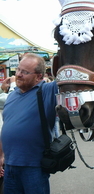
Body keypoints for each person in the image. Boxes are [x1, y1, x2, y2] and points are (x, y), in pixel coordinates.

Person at [0, 53, 58, 194]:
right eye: (18, 70)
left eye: (25, 72)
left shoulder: (47, 91)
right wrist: (1, 156)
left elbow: (66, 76)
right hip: (9, 166)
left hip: (33, 168)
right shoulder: (13, 95)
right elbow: (6, 128)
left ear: (39, 76)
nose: (18, 74)